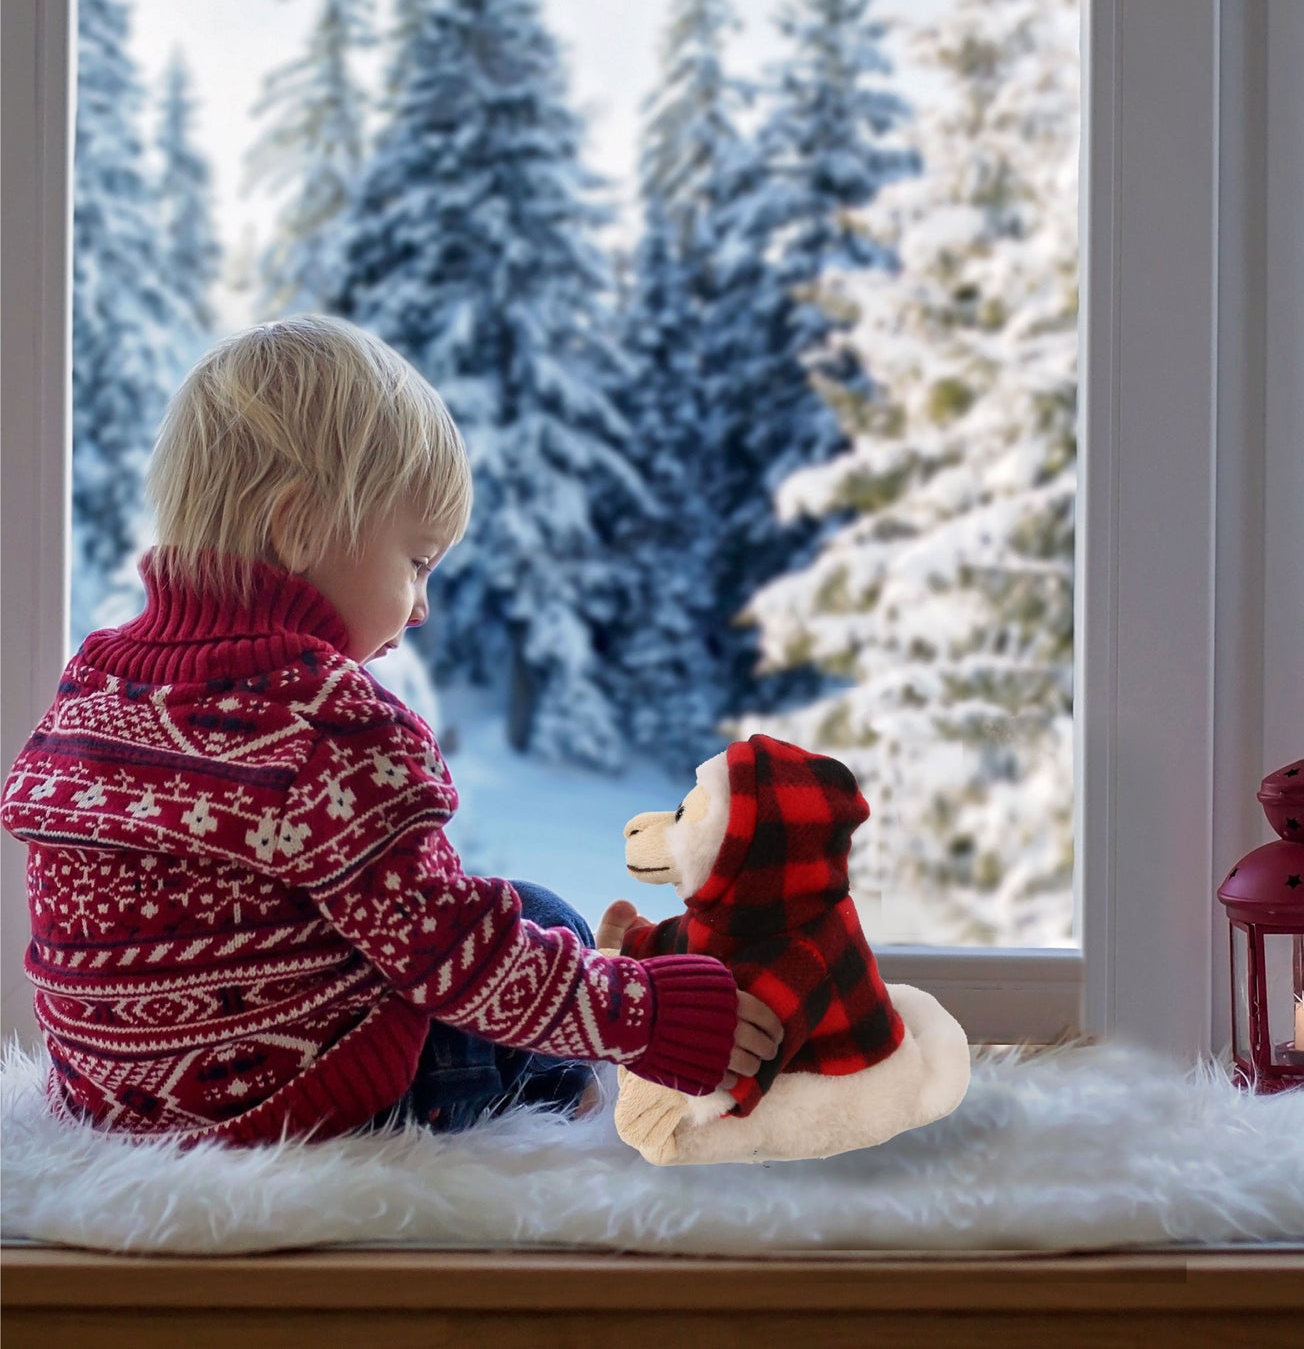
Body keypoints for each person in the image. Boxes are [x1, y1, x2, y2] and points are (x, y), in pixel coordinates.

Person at [0, 315, 780, 1144]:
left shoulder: (94, 682)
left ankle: (583, 1002)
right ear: (298, 527)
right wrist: (655, 1018)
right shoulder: (332, 724)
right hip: (305, 1104)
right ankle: (582, 1071)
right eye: (415, 562)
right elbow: (454, 958)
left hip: (110, 1100)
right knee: (537, 914)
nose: (420, 607)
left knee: (468, 922)